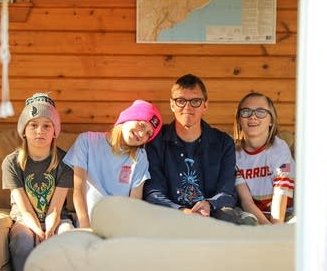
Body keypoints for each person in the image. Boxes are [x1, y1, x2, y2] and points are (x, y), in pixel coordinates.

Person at [143, 73, 257, 225]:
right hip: (170, 215)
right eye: (181, 101)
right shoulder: (156, 142)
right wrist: (182, 211)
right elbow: (153, 193)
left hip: (212, 215)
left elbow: (228, 192)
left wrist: (209, 204)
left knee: (234, 218)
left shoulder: (223, 143)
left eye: (195, 101)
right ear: (172, 104)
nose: (187, 107)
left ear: (205, 105)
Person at [1, 93, 74, 271]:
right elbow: (24, 210)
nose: (39, 131)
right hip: (25, 220)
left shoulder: (65, 162)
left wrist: (49, 231)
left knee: (68, 236)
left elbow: (56, 209)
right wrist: (37, 232)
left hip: (56, 218)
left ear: (54, 132)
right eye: (33, 125)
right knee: (23, 241)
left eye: (46, 125)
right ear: (24, 130)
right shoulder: (12, 162)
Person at [63, 99, 163, 228]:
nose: (142, 133)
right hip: (89, 224)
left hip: (120, 228)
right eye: (141, 125)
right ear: (128, 117)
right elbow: (79, 190)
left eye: (148, 134)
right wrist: (85, 227)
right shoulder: (87, 141)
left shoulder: (140, 157)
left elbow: (134, 203)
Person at [233, 91, 295, 224]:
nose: (253, 117)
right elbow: (246, 201)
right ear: (239, 120)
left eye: (260, 112)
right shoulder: (234, 154)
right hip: (252, 214)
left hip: (284, 213)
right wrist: (268, 230)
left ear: (271, 120)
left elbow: (281, 192)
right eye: (246, 112)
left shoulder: (279, 149)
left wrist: (275, 230)